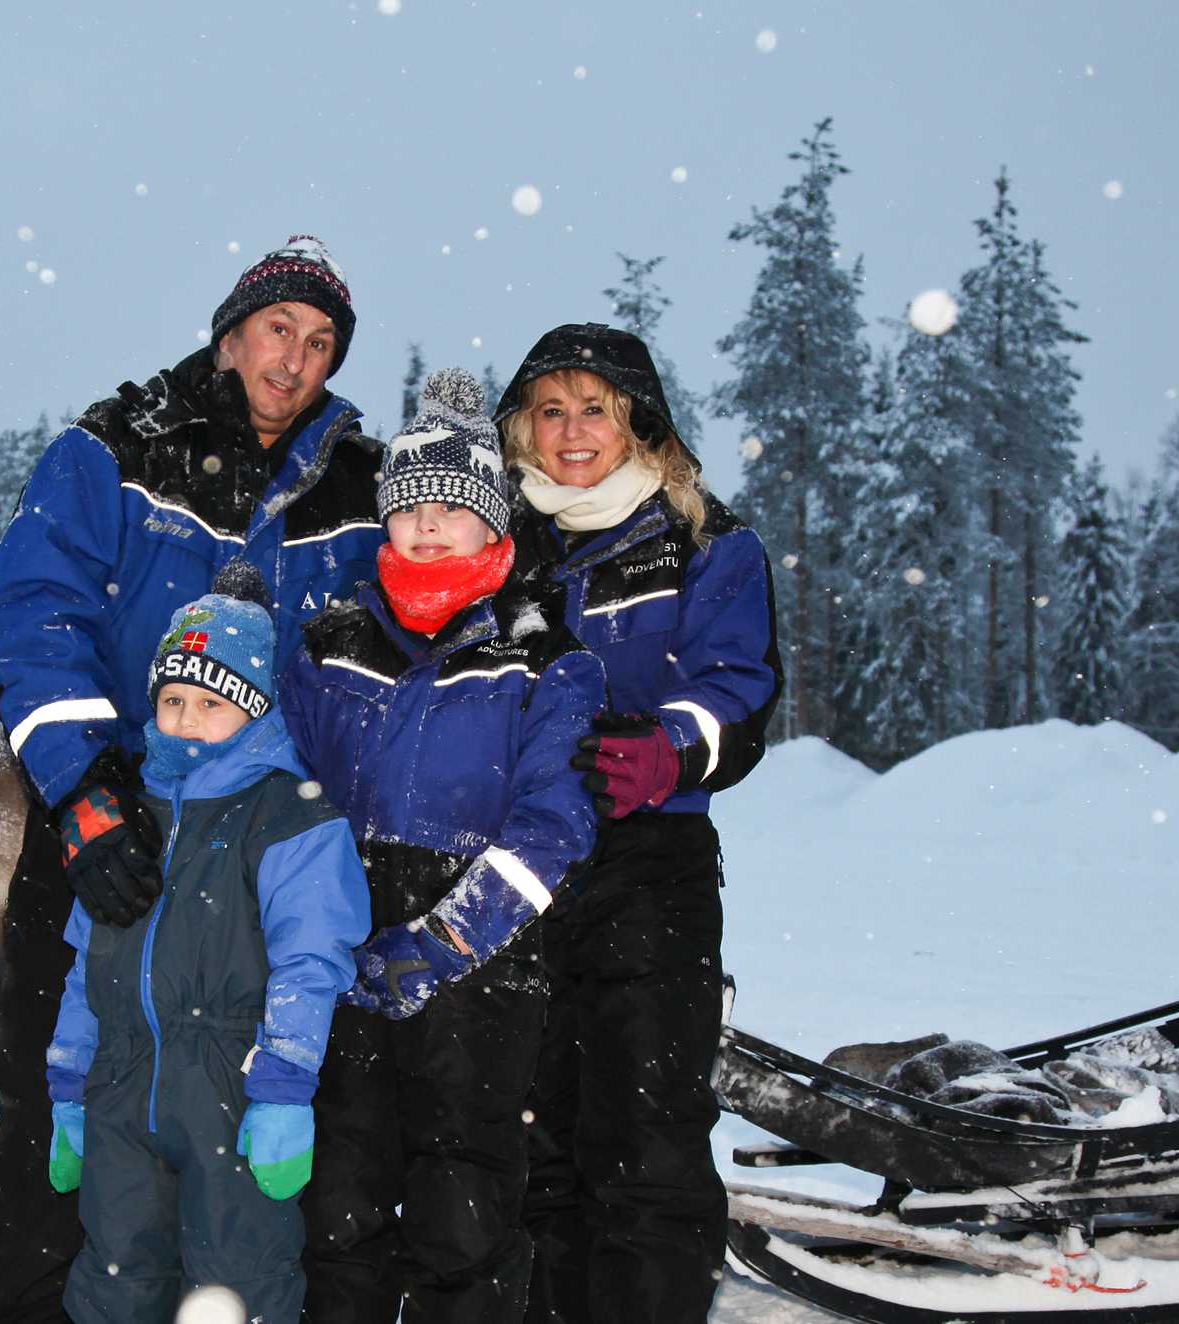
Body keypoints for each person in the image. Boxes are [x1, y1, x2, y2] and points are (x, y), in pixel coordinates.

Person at [0, 235, 386, 1323]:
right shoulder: (114, 449)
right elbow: (26, 615)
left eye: (320, 342)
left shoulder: (358, 483)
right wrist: (85, 789)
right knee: (56, 1131)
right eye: (278, 329)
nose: (293, 360)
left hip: (267, 852)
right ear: (230, 331)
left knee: (270, 1153)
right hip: (104, 830)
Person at [279, 369, 604, 1322]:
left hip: (482, 970)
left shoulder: (545, 660)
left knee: (463, 1205)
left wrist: (447, 941)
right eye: (409, 504)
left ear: (492, 526)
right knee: (337, 1201)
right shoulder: (329, 643)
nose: (427, 525)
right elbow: (275, 783)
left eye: (451, 508)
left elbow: (555, 828)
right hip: (337, 950)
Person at [492, 323, 784, 1324]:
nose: (572, 431)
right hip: (515, 864)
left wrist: (670, 744)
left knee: (646, 1143)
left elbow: (738, 690)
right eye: (551, 409)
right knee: (526, 1139)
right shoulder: (493, 538)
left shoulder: (705, 538)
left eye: (595, 410)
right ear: (522, 426)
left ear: (635, 422)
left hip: (646, 863)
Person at [44, 566, 371, 1324]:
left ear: (253, 710)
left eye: (211, 704)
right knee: (114, 1278)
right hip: (121, 1089)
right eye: (172, 700)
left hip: (234, 1089)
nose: (185, 720)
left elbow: (311, 961)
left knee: (238, 1282)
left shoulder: (290, 817)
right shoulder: (127, 820)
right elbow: (82, 966)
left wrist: (284, 1086)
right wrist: (68, 1083)